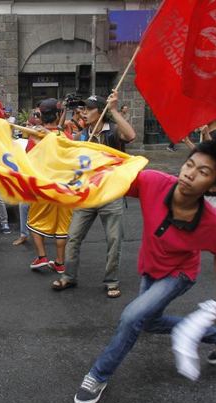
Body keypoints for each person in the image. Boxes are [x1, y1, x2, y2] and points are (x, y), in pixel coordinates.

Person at [74, 141, 216, 403]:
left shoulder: (212, 222)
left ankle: (98, 374)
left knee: (132, 317)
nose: (189, 173)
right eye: (189, 164)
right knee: (149, 322)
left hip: (179, 275)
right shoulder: (153, 182)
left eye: (203, 171)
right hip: (150, 267)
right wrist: (66, 156)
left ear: (215, 186)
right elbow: (110, 179)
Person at [52, 91, 136, 298]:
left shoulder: (114, 131)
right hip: (88, 194)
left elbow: (131, 136)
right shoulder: (83, 135)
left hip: (111, 195)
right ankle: (69, 277)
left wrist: (114, 110)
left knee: (114, 240)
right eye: (83, 108)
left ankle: (111, 281)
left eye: (89, 109)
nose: (84, 112)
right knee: (73, 237)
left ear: (101, 112)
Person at [24, 98, 73, 274]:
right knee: (62, 226)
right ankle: (60, 262)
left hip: (43, 186)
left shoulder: (35, 136)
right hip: (64, 187)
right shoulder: (66, 137)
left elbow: (27, 160)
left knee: (33, 220)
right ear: (59, 115)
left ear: (41, 116)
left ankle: (42, 256)